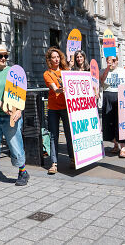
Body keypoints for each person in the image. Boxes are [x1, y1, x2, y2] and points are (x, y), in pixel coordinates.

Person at [0, 44, 29, 194]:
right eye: (0, 56)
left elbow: (20, 94)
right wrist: (2, 104)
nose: (3, 58)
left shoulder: (13, 72)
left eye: (5, 56)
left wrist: (19, 110)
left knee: (15, 145)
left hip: (11, 115)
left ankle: (23, 172)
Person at [43, 46, 74, 174]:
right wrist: (59, 90)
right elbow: (54, 88)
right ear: (49, 60)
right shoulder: (47, 73)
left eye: (57, 57)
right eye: (53, 57)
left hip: (66, 107)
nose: (56, 59)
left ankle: (72, 159)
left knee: (69, 134)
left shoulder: (66, 71)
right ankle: (54, 164)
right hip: (53, 108)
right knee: (53, 136)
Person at [99, 55, 125, 158]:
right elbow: (101, 81)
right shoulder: (103, 70)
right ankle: (115, 144)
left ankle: (123, 149)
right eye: (109, 60)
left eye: (114, 60)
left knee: (120, 123)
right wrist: (107, 69)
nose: (112, 62)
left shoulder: (124, 71)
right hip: (107, 97)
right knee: (109, 123)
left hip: (120, 97)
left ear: (117, 61)